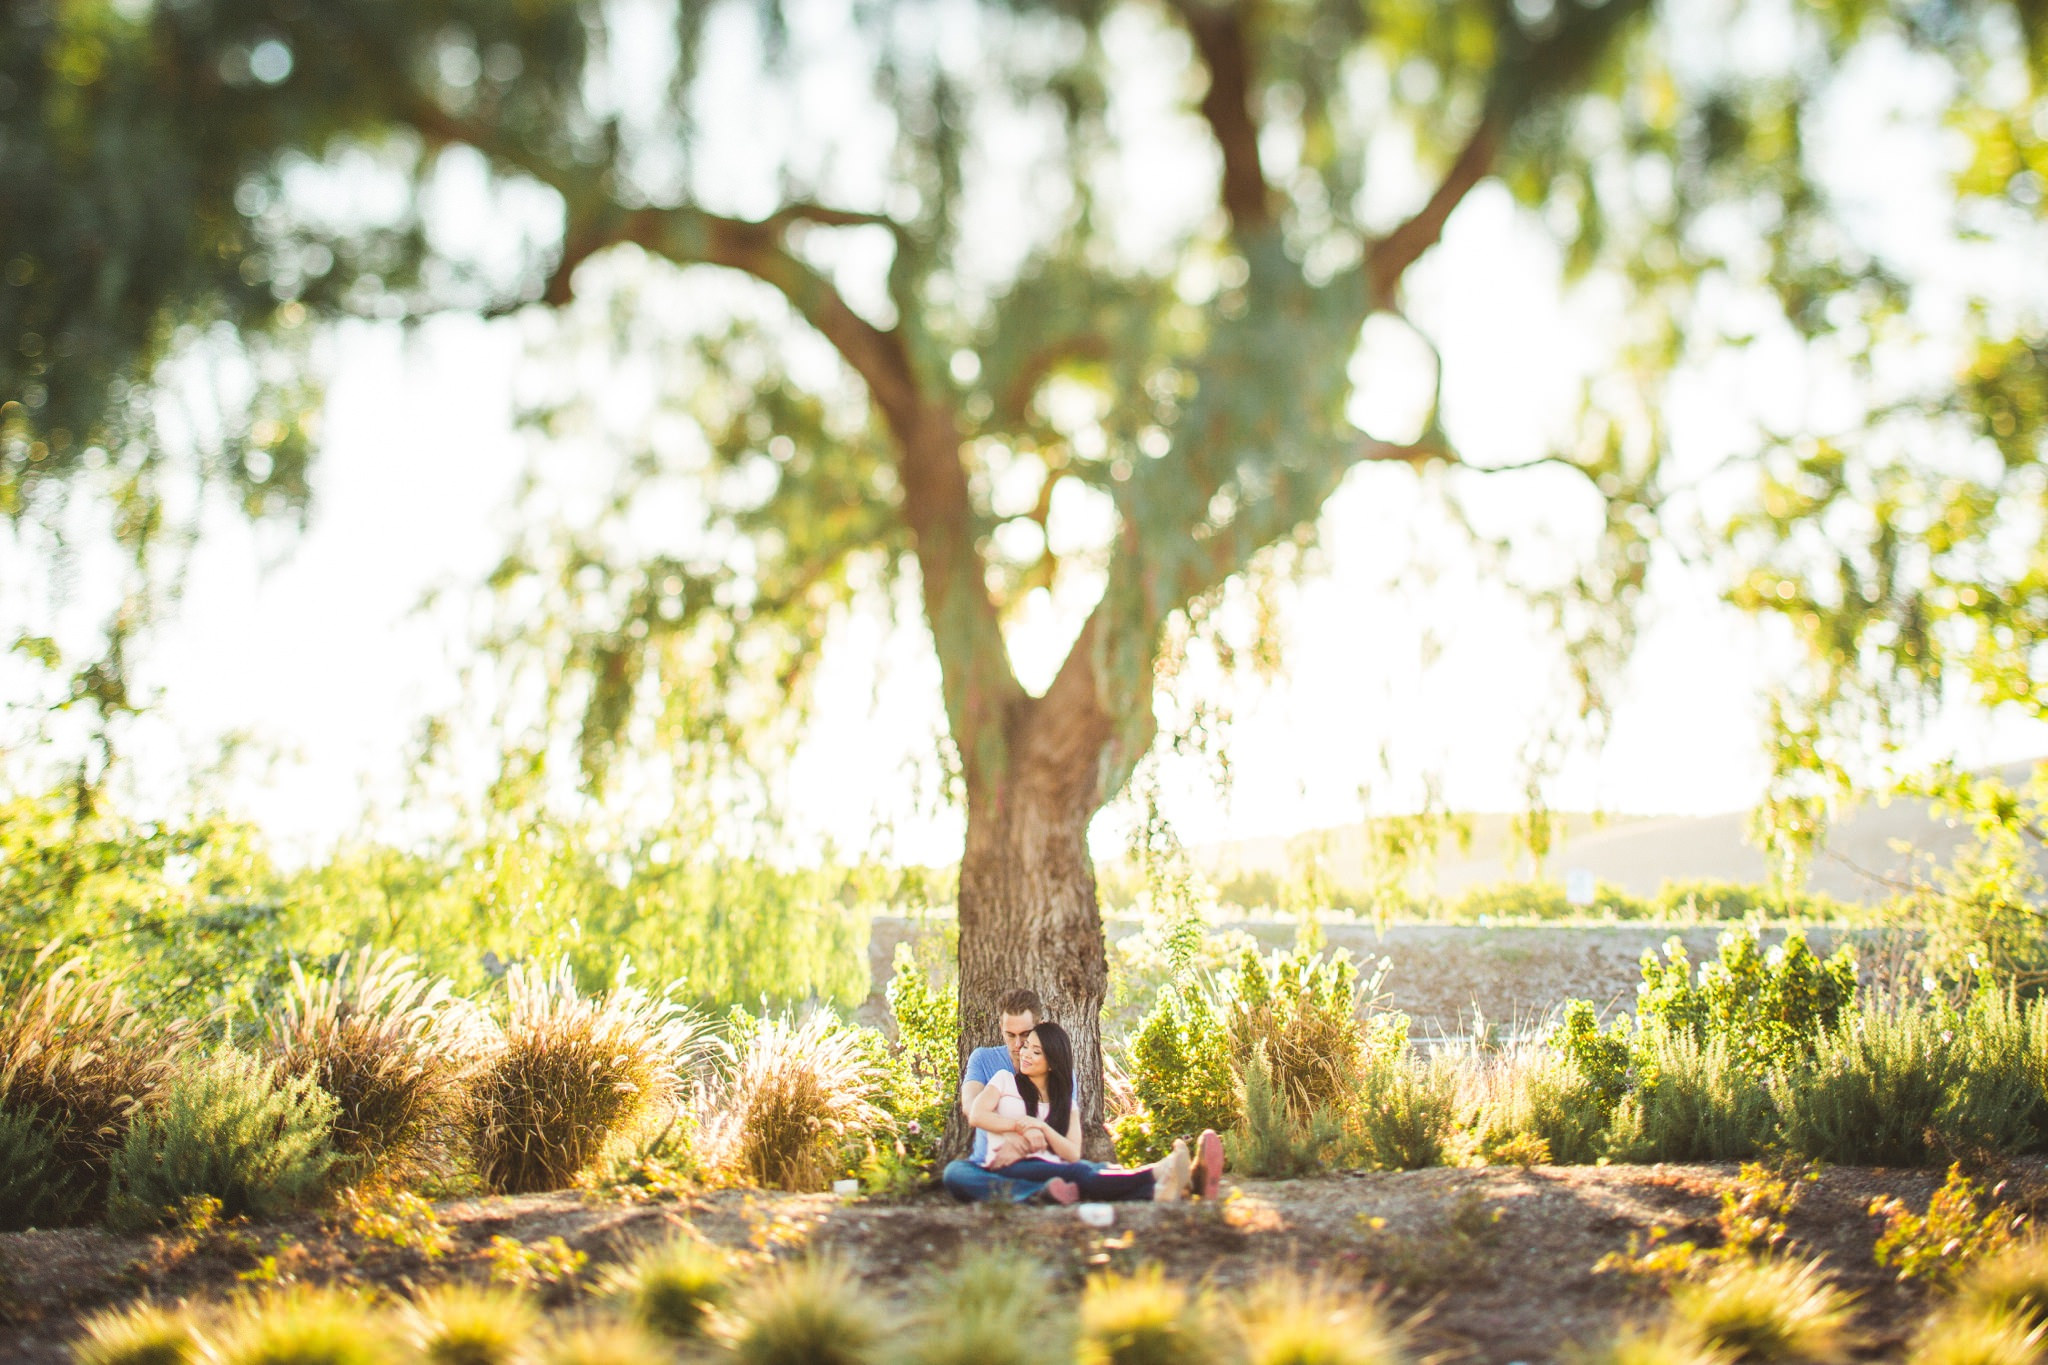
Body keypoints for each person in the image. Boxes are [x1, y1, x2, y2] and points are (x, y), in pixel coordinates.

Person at [943, 1014, 1224, 1204]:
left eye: (1033, 1047)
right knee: (956, 1174)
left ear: (1052, 1061)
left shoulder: (1063, 1098)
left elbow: (1070, 1153)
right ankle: (1158, 1175)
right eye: (1022, 1044)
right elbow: (977, 1114)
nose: (1023, 1051)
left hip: (1040, 1166)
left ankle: (1171, 1185)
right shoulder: (1002, 1078)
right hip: (991, 1166)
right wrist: (1020, 1128)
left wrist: (1036, 1131)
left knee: (1085, 1171)